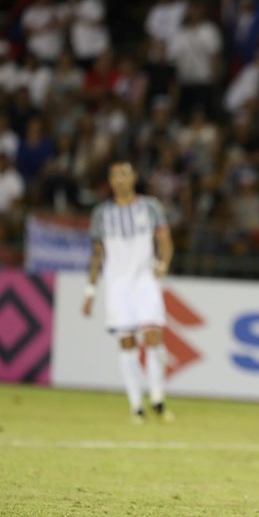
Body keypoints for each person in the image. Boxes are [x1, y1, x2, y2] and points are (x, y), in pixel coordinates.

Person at [83, 159, 174, 423]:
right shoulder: (101, 213)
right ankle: (136, 404)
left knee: (153, 336)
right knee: (127, 342)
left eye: (124, 174)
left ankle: (157, 398)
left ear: (134, 177)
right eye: (114, 176)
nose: (119, 179)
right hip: (117, 285)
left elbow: (164, 240)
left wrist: (163, 263)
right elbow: (97, 255)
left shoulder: (151, 207)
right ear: (110, 182)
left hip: (144, 281)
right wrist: (90, 291)